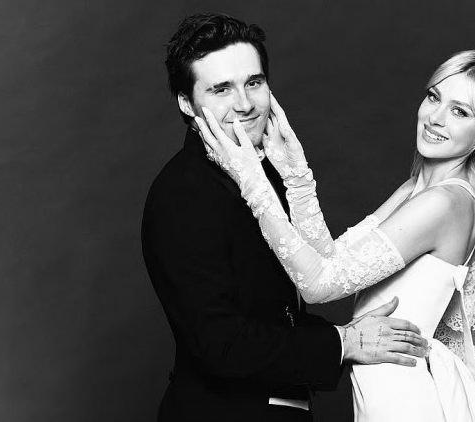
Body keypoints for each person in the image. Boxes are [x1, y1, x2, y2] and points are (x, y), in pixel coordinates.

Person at [199, 47, 475, 422]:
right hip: (384, 386)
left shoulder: (446, 203)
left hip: (402, 394)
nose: (435, 118)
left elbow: (317, 286)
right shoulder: (416, 190)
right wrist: (295, 175)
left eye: (461, 112)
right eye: (434, 97)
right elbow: (329, 259)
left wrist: (253, 182)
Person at [141, 13, 429, 422]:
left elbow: (276, 311)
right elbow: (222, 345)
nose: (244, 104)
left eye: (253, 83)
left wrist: (349, 336)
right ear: (187, 103)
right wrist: (343, 342)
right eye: (221, 89)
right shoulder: (181, 195)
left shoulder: (264, 171)